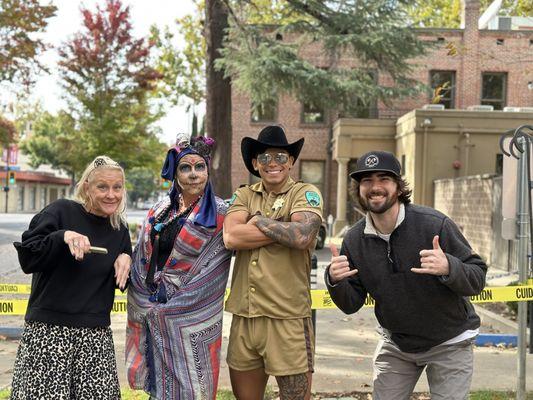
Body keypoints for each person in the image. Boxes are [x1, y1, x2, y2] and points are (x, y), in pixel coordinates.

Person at [326, 150, 487, 400]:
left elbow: (477, 278)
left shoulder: (434, 225)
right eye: (367, 181)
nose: (375, 187)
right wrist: (335, 281)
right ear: (358, 190)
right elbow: (351, 304)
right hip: (397, 344)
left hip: (449, 341)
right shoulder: (354, 240)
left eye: (384, 179)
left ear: (399, 187)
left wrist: (449, 267)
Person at [11, 155, 132, 399]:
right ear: (87, 186)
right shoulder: (61, 211)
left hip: (95, 337)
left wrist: (127, 258)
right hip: (49, 333)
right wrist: (62, 237)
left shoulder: (119, 229)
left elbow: (123, 281)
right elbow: (28, 258)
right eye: (102, 187)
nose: (111, 194)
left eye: (117, 187)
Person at [126, 135, 232, 399]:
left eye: (200, 167)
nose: (193, 174)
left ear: (208, 171)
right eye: (185, 167)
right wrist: (146, 297)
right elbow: (142, 258)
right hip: (153, 311)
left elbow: (215, 263)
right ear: (175, 173)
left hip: (193, 318)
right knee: (159, 390)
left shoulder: (222, 214)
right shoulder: (159, 211)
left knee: (193, 389)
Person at [223, 125, 323, 400]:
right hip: (245, 317)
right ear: (255, 163)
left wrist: (258, 221)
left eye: (280, 156)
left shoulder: (305, 193)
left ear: (291, 161)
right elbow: (231, 236)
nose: (273, 163)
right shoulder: (243, 195)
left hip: (287, 318)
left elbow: (303, 235)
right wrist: (282, 229)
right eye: (265, 158)